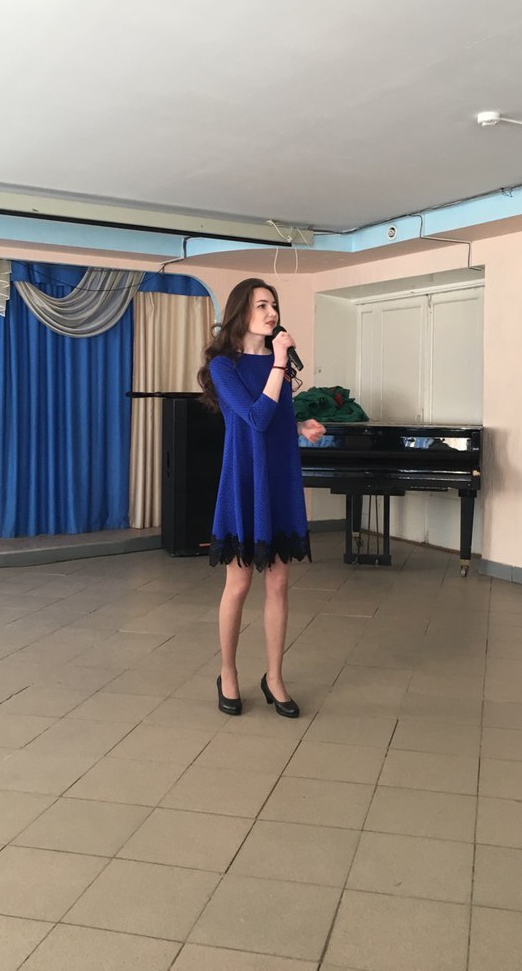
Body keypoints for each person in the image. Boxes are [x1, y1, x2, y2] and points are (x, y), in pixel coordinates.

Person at [198, 278, 325, 718]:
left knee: (279, 583)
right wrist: (279, 362)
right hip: (244, 478)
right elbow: (254, 418)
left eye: (274, 306)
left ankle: (274, 677)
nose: (272, 314)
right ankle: (228, 672)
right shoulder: (224, 366)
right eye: (262, 306)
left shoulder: (277, 364)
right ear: (241, 312)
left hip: (279, 474)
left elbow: (274, 418)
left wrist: (300, 426)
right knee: (239, 584)